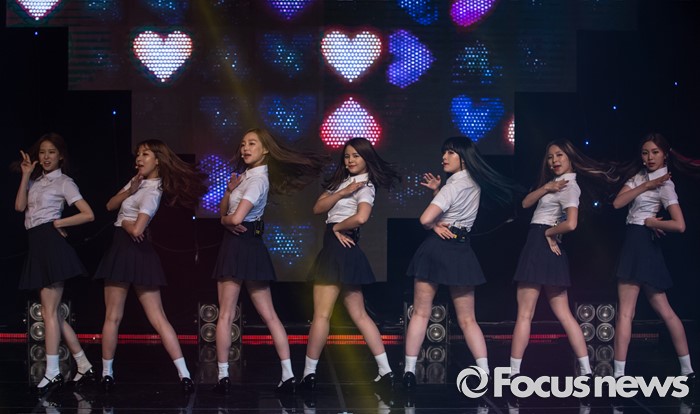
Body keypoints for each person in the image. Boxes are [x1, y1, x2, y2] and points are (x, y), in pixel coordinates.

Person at [212, 128, 327, 394]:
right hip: (244, 245)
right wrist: (229, 193)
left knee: (229, 314)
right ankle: (286, 375)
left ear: (265, 150)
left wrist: (224, 222)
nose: (245, 148)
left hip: (240, 244)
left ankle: (225, 376)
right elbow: (225, 210)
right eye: (243, 143)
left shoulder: (257, 180)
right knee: (261, 315)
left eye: (252, 143)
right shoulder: (245, 177)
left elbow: (234, 218)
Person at [403, 136, 519, 389]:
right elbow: (454, 213)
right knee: (468, 319)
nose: (444, 157)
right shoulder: (474, 184)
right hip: (461, 249)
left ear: (464, 158)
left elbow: (425, 219)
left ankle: (409, 373)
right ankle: (485, 373)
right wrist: (437, 193)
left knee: (421, 313)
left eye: (451, 153)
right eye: (444, 152)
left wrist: (434, 224)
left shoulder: (452, 186)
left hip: (437, 249)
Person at [94, 139, 207, 393]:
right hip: (123, 251)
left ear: (158, 160)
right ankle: (107, 374)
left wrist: (124, 222)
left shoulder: (154, 190)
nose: (139, 158)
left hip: (133, 250)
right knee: (113, 316)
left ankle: (184, 374)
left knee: (154, 317)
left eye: (145, 154)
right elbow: (109, 205)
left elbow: (136, 229)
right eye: (138, 154)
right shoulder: (137, 182)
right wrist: (129, 191)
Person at [508, 139, 617, 391]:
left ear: (569, 158)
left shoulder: (569, 186)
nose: (554, 160)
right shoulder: (556, 184)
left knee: (527, 314)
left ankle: (514, 374)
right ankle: (586, 371)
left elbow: (571, 223)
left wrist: (549, 233)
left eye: (559, 155)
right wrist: (547, 187)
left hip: (541, 241)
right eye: (550, 157)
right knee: (560, 314)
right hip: (544, 243)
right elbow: (525, 203)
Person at [300, 137, 401, 392]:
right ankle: (386, 371)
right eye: (347, 156)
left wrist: (337, 227)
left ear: (366, 158)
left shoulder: (366, 185)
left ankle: (309, 375)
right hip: (340, 249)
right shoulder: (341, 182)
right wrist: (342, 193)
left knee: (322, 315)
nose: (350, 160)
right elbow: (317, 208)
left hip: (339, 247)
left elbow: (362, 217)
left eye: (356, 155)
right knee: (359, 315)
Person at [612, 132, 696, 386]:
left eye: (655, 152)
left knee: (662, 311)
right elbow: (617, 203)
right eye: (645, 152)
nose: (649, 157)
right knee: (627, 313)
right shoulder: (639, 178)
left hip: (642, 240)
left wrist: (652, 223)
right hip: (634, 241)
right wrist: (645, 186)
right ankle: (619, 375)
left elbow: (680, 225)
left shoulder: (665, 184)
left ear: (665, 154)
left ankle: (687, 370)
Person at [14, 133, 96, 392]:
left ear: (61, 156)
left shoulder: (64, 182)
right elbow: (19, 207)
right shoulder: (36, 181)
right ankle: (83, 364)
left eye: (51, 152)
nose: (46, 156)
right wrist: (26, 175)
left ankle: (52, 372)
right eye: (42, 152)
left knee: (49, 311)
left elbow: (88, 214)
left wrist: (58, 222)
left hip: (51, 244)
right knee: (53, 312)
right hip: (37, 244)